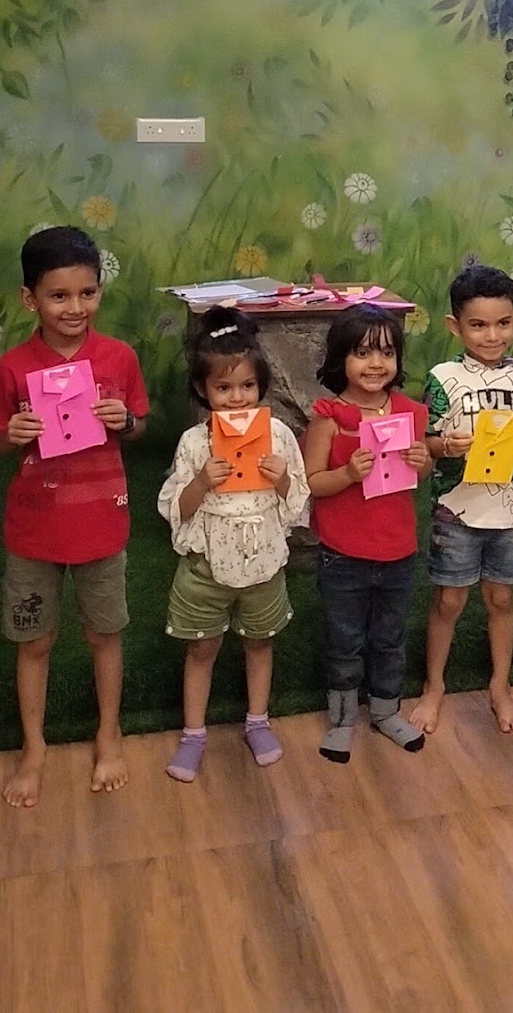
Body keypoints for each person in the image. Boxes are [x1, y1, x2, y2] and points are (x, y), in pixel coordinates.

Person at [0, 226, 149, 808]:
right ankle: (34, 746)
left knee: (104, 634)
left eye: (87, 293)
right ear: (29, 299)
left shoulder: (119, 357)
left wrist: (124, 421)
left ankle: (109, 732)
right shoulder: (13, 367)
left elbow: (139, 425)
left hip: (102, 523)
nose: (75, 307)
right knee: (35, 641)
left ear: (99, 291)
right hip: (34, 530)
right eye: (58, 296)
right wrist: (12, 433)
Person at [158, 306, 309, 779]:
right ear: (203, 389)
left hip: (263, 562)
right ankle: (193, 734)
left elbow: (299, 501)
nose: (236, 398)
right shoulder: (193, 442)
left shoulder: (278, 435)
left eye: (247, 386)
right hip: (206, 566)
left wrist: (282, 479)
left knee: (259, 644)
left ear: (261, 386)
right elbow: (176, 508)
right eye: (223, 388)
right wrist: (203, 481)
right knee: (201, 649)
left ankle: (258, 722)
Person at [410, 265, 513, 737]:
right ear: (454, 326)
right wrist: (446, 446)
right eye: (478, 325)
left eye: (503, 323)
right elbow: (425, 444)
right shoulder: (442, 378)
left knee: (501, 597)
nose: (492, 336)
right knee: (449, 600)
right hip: (457, 510)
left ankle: (500, 686)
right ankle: (434, 686)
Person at [303, 304, 432, 763]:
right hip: (344, 554)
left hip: (398, 550)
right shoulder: (329, 417)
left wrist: (423, 460)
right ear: (340, 358)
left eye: (387, 353)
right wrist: (346, 474)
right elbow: (312, 482)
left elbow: (420, 469)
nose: (376, 364)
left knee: (390, 637)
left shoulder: (410, 412)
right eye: (362, 353)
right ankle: (341, 721)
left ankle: (385, 711)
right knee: (345, 640)